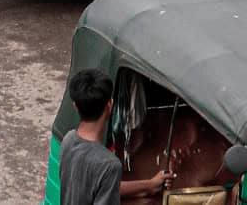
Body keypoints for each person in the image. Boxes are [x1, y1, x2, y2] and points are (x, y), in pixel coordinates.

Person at [59, 69, 174, 205]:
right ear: (109, 105)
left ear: (75, 106)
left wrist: (150, 185)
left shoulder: (68, 140)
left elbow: (101, 184)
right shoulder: (108, 164)